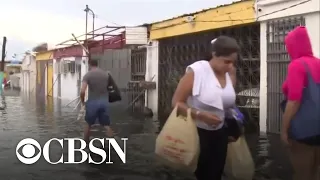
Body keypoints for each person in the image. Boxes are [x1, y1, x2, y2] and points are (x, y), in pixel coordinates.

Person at [171, 36, 240, 180]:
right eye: (226, 61)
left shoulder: (230, 72)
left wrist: (233, 122)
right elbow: (176, 103)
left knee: (216, 173)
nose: (229, 66)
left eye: (233, 62)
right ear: (214, 55)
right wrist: (200, 115)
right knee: (200, 173)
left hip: (221, 132)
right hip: (197, 132)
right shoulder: (197, 72)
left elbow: (226, 101)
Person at [281, 26, 320, 180]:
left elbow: (294, 101)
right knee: (316, 172)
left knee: (302, 174)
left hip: (302, 130)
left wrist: (284, 130)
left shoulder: (296, 65)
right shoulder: (318, 62)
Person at [80, 59, 114, 144]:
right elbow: (111, 88)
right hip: (104, 102)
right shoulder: (106, 74)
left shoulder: (88, 75)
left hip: (93, 103)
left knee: (88, 124)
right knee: (106, 125)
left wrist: (82, 102)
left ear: (89, 65)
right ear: (97, 64)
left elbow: (82, 91)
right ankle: (113, 144)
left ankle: (85, 145)